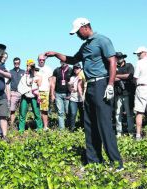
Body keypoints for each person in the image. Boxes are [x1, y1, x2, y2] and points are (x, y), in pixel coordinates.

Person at [44, 17, 123, 170]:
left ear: (85, 26)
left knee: (104, 124)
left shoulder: (102, 40)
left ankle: (116, 163)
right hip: (90, 86)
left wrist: (111, 84)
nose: (78, 35)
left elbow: (112, 61)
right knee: (90, 123)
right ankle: (94, 161)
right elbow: (72, 59)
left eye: (78, 32)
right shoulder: (85, 46)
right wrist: (55, 54)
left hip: (102, 83)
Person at [17, 59, 43, 132]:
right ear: (27, 66)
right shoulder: (24, 76)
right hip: (25, 96)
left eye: (32, 66)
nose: (30, 67)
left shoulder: (37, 75)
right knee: (22, 113)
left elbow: (40, 84)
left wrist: (35, 73)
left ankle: (40, 129)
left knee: (37, 113)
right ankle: (21, 130)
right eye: (29, 66)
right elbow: (20, 87)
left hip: (34, 97)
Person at [114, 52, 134, 137]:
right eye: (117, 58)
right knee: (118, 113)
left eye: (120, 57)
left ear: (123, 58)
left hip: (127, 93)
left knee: (129, 113)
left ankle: (130, 131)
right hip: (118, 93)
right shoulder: (114, 67)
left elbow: (129, 75)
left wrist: (117, 76)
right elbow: (111, 77)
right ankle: (119, 132)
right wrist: (119, 77)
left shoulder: (129, 65)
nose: (118, 59)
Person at [51, 61, 72, 130]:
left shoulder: (71, 70)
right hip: (58, 94)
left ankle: (69, 127)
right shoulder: (56, 70)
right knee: (60, 112)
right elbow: (53, 83)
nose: (63, 63)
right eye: (62, 61)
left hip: (68, 94)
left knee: (68, 111)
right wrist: (52, 94)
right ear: (60, 62)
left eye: (65, 61)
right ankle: (61, 129)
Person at [7, 57, 25, 128]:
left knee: (22, 110)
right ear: (13, 63)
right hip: (13, 92)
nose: (16, 64)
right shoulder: (10, 72)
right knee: (12, 110)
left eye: (18, 63)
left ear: (20, 63)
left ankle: (21, 125)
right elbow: (7, 83)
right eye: (15, 63)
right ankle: (11, 125)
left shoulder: (23, 72)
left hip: (22, 93)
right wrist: (8, 93)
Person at [37, 54, 53, 131]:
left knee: (44, 110)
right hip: (35, 91)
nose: (42, 61)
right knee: (36, 110)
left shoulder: (48, 69)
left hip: (44, 91)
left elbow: (51, 82)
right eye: (40, 59)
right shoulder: (34, 68)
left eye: (43, 60)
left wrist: (51, 93)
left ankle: (45, 126)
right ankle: (38, 126)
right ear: (38, 60)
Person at [68, 63, 84, 131]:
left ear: (80, 68)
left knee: (82, 114)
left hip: (82, 98)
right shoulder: (72, 77)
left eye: (77, 68)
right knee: (73, 113)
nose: (76, 69)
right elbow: (70, 89)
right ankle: (72, 129)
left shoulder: (83, 76)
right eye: (74, 68)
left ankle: (83, 128)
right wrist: (69, 85)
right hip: (73, 98)